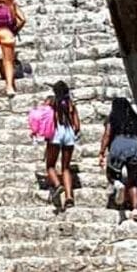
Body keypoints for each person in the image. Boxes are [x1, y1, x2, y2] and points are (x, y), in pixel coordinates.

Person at [100, 97, 137, 219]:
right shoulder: (136, 119)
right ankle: (135, 210)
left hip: (117, 145)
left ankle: (117, 183)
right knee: (133, 181)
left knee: (111, 173)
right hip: (134, 145)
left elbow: (108, 134)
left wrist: (102, 151)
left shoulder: (112, 118)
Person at [39, 80, 80, 211]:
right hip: (68, 134)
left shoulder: (51, 102)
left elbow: (43, 117)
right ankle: (69, 197)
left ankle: (57, 185)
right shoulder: (71, 104)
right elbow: (77, 126)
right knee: (66, 168)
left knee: (50, 165)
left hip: (55, 133)